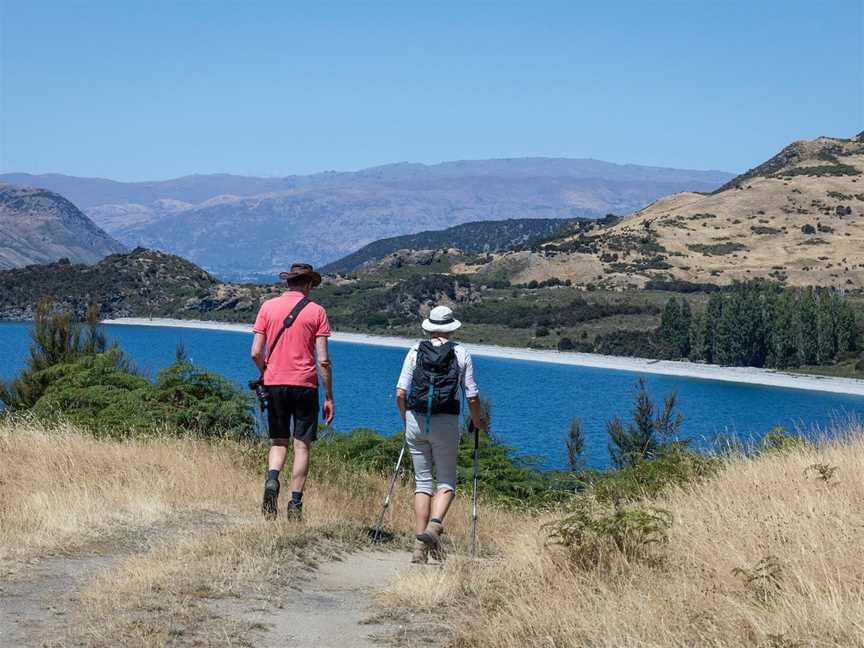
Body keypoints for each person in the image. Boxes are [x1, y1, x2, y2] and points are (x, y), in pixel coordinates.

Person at [395, 305, 486, 564]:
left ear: (430, 327)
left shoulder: (415, 351)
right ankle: (434, 527)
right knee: (446, 483)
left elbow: (400, 392)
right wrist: (477, 421)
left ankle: (418, 547)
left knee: (422, 483)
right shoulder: (461, 353)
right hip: (445, 422)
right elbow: (472, 395)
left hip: (415, 419)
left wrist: (406, 419)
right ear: (451, 327)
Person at [251, 263, 334, 520]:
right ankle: (295, 505)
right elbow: (322, 360)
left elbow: (255, 352)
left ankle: (272, 479)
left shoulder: (267, 307)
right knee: (302, 447)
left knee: (278, 442)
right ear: (307, 284)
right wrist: (329, 397)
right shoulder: (317, 311)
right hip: (305, 385)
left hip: (274, 383)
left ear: (288, 282)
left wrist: (268, 370)